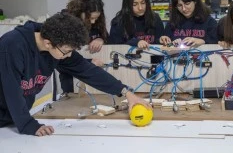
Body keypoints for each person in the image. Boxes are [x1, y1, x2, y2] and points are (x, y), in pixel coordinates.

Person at [0, 12, 151, 136]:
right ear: (48, 43)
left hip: (13, 120)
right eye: (66, 51)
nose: (68, 56)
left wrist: (126, 92)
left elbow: (87, 70)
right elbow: (12, 90)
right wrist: (28, 124)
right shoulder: (12, 46)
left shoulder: (56, 44)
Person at [60, 0, 108, 93]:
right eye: (90, 18)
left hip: (92, 75)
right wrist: (88, 62)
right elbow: (64, 58)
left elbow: (110, 41)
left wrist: (101, 39)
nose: (93, 22)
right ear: (80, 12)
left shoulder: (97, 24)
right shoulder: (66, 23)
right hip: (71, 78)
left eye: (96, 18)